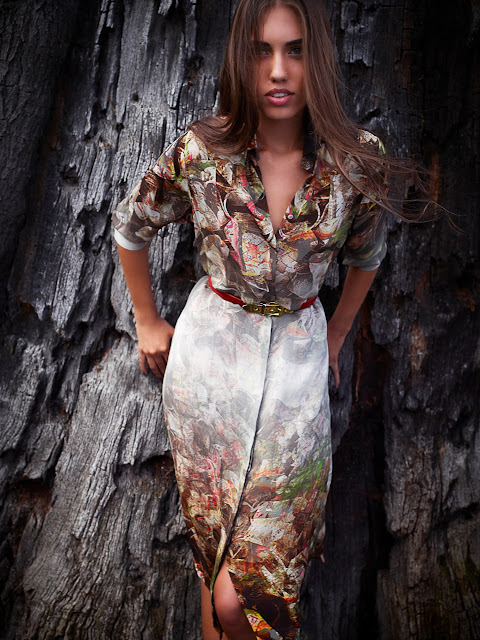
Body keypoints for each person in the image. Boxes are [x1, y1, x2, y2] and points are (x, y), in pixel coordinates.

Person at [112, 1, 401, 638]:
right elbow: (131, 227)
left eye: (295, 49)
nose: (277, 70)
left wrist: (336, 334)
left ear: (317, 58)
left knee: (245, 600)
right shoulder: (203, 151)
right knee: (214, 564)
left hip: (297, 380)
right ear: (240, 59)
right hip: (209, 374)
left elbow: (368, 255)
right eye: (261, 51)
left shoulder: (356, 161)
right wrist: (146, 319)